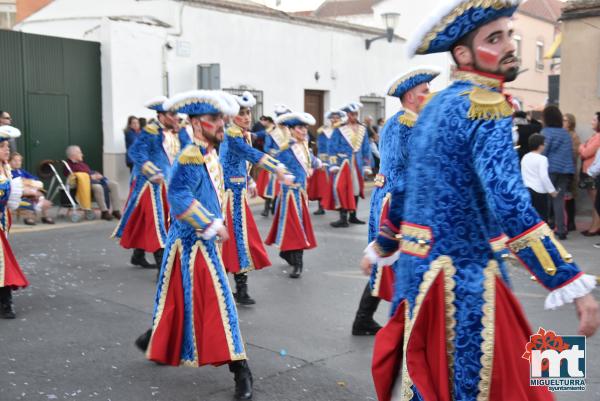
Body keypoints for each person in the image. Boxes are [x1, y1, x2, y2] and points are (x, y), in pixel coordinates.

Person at [362, 2, 600, 400]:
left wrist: (384, 243)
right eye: (495, 38)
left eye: (509, 34)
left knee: (430, 380)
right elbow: (508, 201)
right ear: (463, 53)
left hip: (420, 278)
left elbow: (406, 186)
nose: (510, 46)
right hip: (465, 284)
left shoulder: (435, 106)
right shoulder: (486, 106)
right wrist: (570, 280)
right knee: (502, 383)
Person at [134, 90, 253, 401]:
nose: (221, 125)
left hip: (199, 242)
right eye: (215, 120)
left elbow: (234, 162)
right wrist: (209, 222)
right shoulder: (190, 154)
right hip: (191, 242)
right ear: (198, 124)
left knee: (182, 300)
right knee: (219, 304)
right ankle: (241, 370)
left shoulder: (211, 149)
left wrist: (254, 176)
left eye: (222, 119)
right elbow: (178, 197)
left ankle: (155, 339)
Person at [353, 67, 440, 337]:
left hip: (392, 196)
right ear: (412, 97)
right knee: (403, 261)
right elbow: (419, 164)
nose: (429, 95)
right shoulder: (407, 125)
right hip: (397, 200)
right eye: (425, 92)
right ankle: (405, 326)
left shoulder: (399, 121)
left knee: (390, 262)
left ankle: (365, 319)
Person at [219, 91, 290, 305]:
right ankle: (232, 288)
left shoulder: (242, 133)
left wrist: (249, 180)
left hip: (238, 194)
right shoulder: (232, 134)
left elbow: (240, 160)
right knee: (233, 241)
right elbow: (249, 154)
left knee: (239, 241)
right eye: (242, 113)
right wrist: (275, 166)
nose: (247, 117)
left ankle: (238, 287)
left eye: (249, 112)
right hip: (228, 196)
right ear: (232, 116)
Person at [113, 96, 191, 269]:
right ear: (161, 116)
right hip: (151, 185)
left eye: (176, 114)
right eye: (171, 114)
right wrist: (151, 171)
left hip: (171, 184)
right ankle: (163, 267)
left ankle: (137, 255)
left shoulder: (179, 131)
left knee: (156, 221)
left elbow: (188, 150)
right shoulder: (151, 131)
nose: (175, 117)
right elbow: (136, 152)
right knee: (157, 222)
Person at [265, 111, 320, 278]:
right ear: (291, 130)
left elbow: (311, 161)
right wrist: (285, 176)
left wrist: (321, 163)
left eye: (305, 128)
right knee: (295, 228)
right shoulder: (285, 148)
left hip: (301, 194)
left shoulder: (304, 146)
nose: (304, 131)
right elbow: (276, 166)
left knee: (298, 226)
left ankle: (287, 253)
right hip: (289, 195)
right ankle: (298, 263)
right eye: (300, 128)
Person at [328, 102, 372, 227]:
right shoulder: (339, 128)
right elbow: (332, 147)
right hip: (343, 164)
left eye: (356, 114)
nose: (354, 116)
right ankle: (343, 217)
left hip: (357, 163)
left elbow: (366, 148)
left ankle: (353, 216)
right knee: (341, 188)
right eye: (352, 114)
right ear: (347, 114)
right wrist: (333, 164)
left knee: (356, 189)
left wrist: (366, 165)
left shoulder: (362, 128)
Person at [0, 126, 28, 318]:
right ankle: (6, 302)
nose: (7, 149)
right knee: (2, 261)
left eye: (7, 146)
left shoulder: (6, 167)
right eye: (2, 146)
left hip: (3, 219)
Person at [541, 105, 575, 240]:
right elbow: (569, 152)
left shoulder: (546, 132)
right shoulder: (565, 133)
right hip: (565, 171)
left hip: (550, 170)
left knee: (547, 199)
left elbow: (543, 151)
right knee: (559, 200)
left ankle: (545, 228)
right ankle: (561, 230)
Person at [65, 145, 121, 221]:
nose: (82, 154)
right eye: (80, 152)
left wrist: (96, 175)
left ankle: (116, 210)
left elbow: (89, 172)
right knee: (98, 187)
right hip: (82, 186)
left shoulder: (82, 164)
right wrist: (90, 177)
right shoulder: (68, 166)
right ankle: (104, 212)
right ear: (73, 155)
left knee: (114, 184)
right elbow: (75, 178)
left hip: (93, 181)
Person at [256, 105, 292, 217]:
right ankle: (267, 208)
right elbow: (267, 147)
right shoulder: (272, 131)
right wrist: (275, 152)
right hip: (274, 161)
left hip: (287, 162)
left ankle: (277, 208)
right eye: (280, 117)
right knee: (270, 185)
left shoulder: (292, 130)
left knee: (283, 185)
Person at [308, 109, 345, 215]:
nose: (335, 120)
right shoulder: (324, 130)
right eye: (333, 118)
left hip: (340, 160)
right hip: (326, 160)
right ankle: (321, 206)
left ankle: (340, 206)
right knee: (322, 184)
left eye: (337, 118)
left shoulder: (344, 130)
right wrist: (323, 161)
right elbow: (321, 147)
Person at [9, 152, 54, 225]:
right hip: (17, 193)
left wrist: (29, 181)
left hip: (28, 191)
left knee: (39, 193)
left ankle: (44, 215)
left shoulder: (21, 171)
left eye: (19, 160)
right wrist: (24, 182)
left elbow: (34, 178)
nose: (18, 162)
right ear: (9, 161)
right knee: (35, 195)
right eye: (15, 160)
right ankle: (31, 215)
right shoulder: (9, 172)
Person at [521, 134, 558, 221]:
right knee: (542, 217)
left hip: (527, 189)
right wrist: (552, 191)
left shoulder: (525, 157)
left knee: (530, 217)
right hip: (539, 191)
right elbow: (544, 177)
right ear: (540, 146)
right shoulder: (542, 159)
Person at [579, 111, 600, 236]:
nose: (591, 122)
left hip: (593, 172)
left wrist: (582, 147)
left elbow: (585, 152)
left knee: (596, 202)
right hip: (589, 171)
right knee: (594, 202)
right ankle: (593, 226)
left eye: (594, 120)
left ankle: (595, 228)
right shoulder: (595, 135)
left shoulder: (598, 137)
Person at [563, 113, 581, 231]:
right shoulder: (561, 133)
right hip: (562, 169)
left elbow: (575, 152)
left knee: (570, 198)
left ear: (570, 123)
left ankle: (570, 222)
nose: (563, 122)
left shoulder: (573, 135)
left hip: (569, 170)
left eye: (565, 120)